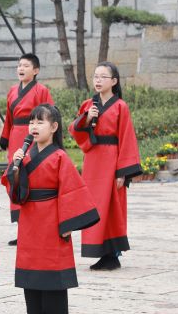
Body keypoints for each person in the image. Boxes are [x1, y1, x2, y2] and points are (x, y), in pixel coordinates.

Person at [4, 104, 99, 314]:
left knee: (53, 280)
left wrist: (68, 224)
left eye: (40, 122)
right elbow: (16, 192)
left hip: (51, 223)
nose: (33, 126)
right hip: (29, 224)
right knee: (31, 280)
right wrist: (15, 169)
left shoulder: (60, 157)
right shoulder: (25, 156)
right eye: (31, 122)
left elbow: (72, 190)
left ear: (54, 127)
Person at [68, 62, 142, 271]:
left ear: (114, 81)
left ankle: (112, 254)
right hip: (93, 161)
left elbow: (127, 138)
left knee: (112, 206)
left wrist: (122, 172)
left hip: (112, 161)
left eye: (103, 77)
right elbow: (75, 129)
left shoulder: (120, 106)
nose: (98, 80)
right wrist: (87, 118)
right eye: (95, 76)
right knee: (94, 205)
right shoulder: (88, 105)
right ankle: (100, 251)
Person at [0, 53, 53, 245]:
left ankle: (35, 227)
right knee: (14, 177)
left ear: (36, 70)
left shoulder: (42, 91)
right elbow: (9, 117)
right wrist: (5, 139)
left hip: (33, 136)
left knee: (32, 177)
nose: (21, 68)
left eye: (26, 66)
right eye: (19, 65)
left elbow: (49, 116)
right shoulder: (12, 91)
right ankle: (22, 228)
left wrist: (45, 138)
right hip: (16, 136)